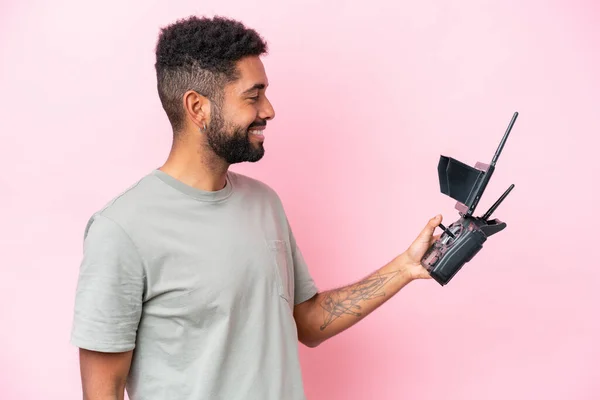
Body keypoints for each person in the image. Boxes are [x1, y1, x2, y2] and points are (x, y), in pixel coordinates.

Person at [70, 15, 443, 400]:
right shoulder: (122, 229)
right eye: (253, 95)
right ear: (198, 107)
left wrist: (404, 267)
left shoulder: (265, 203)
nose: (268, 110)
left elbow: (310, 322)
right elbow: (102, 392)